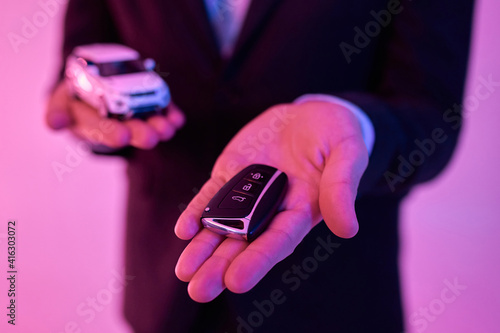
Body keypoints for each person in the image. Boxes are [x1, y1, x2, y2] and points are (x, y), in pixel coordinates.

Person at [46, 0, 475, 332]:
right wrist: (94, 119)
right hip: (163, 289)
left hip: (331, 297)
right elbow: (80, 63)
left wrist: (355, 126)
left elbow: (432, 113)